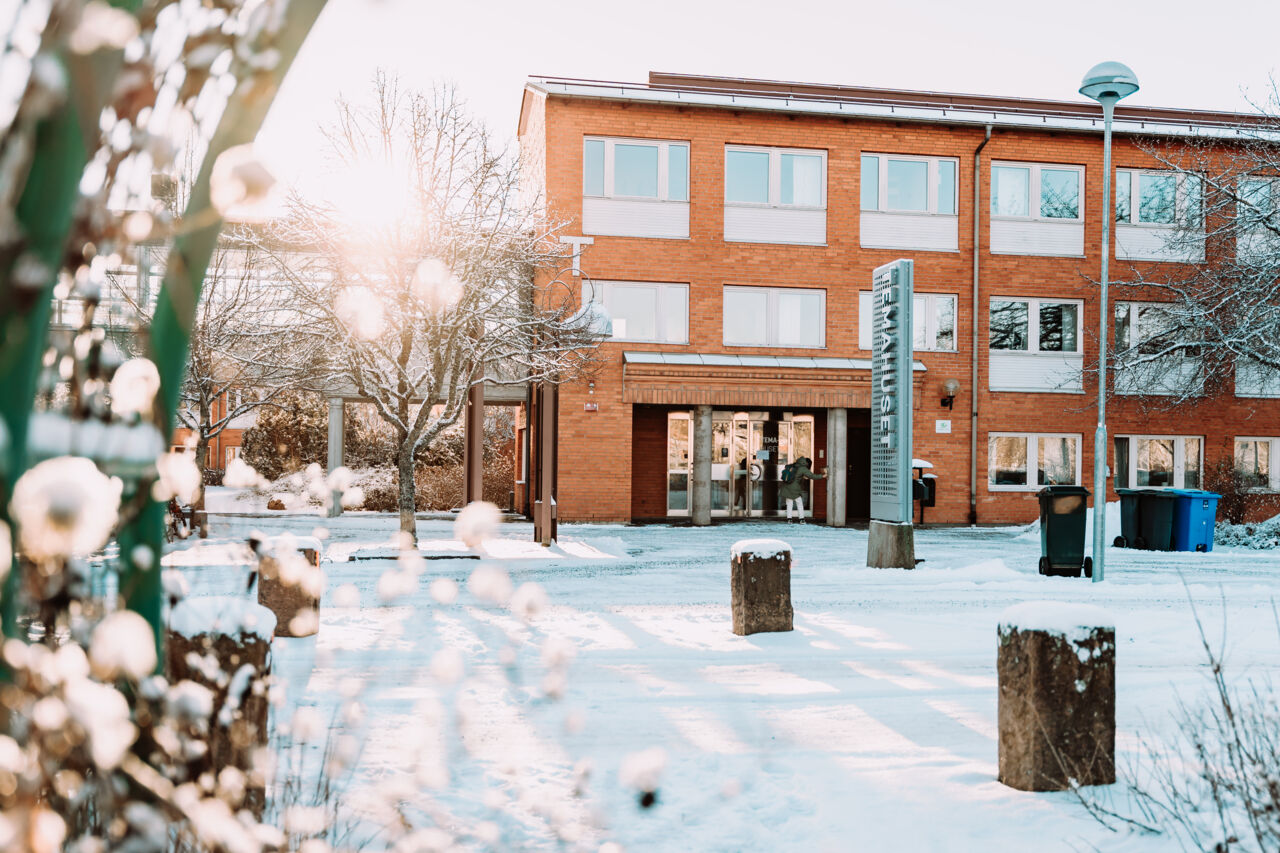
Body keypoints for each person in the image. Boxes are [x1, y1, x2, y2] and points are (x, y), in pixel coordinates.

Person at [779, 456, 825, 523]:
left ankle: (789, 519)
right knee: (799, 503)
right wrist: (822, 476)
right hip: (794, 489)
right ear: (807, 463)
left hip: (786, 487)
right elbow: (812, 476)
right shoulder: (803, 468)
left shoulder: (794, 465)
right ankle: (802, 519)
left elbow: (794, 475)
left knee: (789, 503)